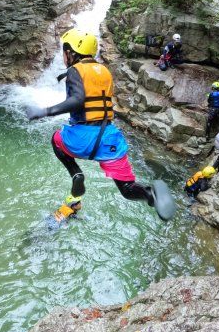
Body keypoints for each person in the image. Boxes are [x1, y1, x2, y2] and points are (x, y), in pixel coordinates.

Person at [25, 28, 176, 222]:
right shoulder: (104, 71)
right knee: (127, 189)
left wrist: (44, 111)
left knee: (56, 139)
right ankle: (150, 195)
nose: (63, 56)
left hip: (81, 139)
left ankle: (76, 174)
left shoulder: (74, 70)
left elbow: (78, 100)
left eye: (64, 51)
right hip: (109, 137)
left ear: (71, 52)